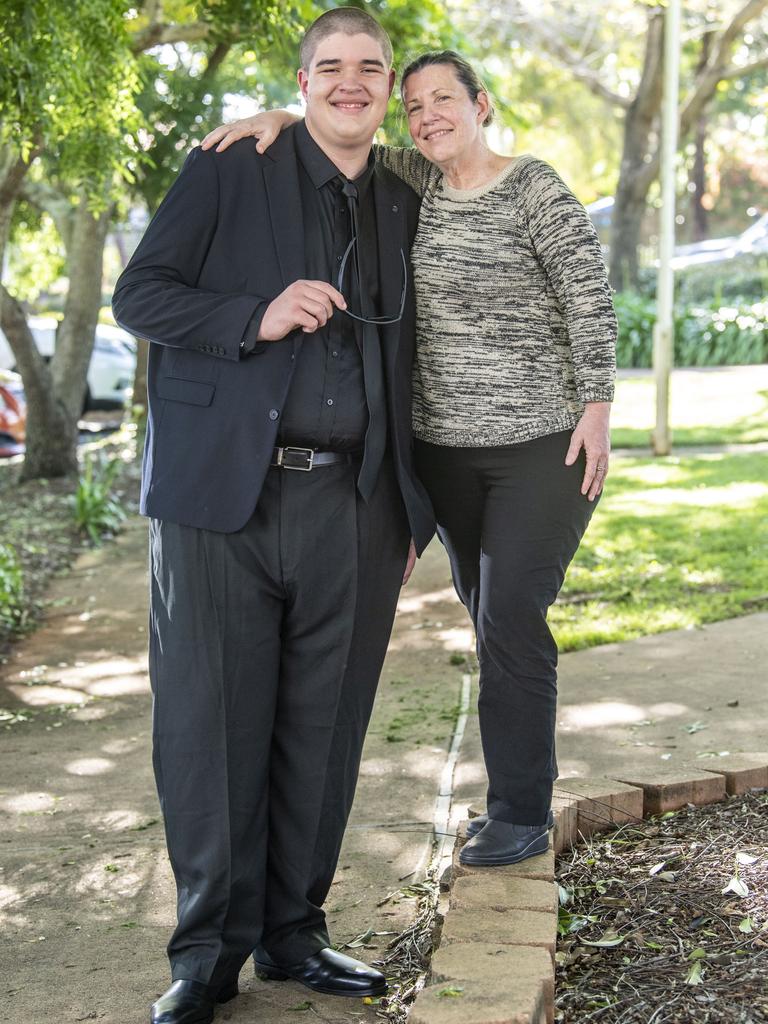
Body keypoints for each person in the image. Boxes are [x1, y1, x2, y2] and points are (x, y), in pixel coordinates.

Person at [203, 49, 617, 870]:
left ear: (482, 104)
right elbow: (336, 129)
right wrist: (281, 117)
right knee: (484, 615)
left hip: (541, 447)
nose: (426, 115)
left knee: (509, 619)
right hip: (445, 456)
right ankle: (513, 799)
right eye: (414, 105)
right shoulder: (411, 183)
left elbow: (587, 296)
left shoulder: (534, 187)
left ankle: (521, 810)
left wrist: (598, 410)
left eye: (442, 100)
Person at [112, 10, 434, 1024]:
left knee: (323, 730)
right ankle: (207, 954)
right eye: (330, 68)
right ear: (300, 81)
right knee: (210, 726)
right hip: (220, 504)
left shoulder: (404, 196)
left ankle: (296, 932)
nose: (352, 83)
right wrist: (251, 316)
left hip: (355, 506)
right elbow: (141, 296)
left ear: (387, 90)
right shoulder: (228, 166)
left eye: (369, 69)